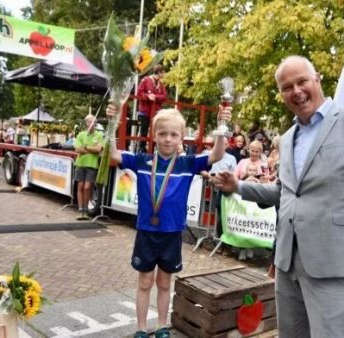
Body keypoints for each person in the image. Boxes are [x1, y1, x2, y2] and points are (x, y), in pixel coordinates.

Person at [212, 55, 344, 337]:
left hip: (334, 262)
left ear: (317, 79)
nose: (296, 91)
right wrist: (238, 187)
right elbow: (286, 193)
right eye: (286, 87)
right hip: (288, 261)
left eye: (302, 81)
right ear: (281, 94)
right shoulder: (290, 136)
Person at [105, 104, 230, 338]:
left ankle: (162, 326)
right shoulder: (142, 161)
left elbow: (217, 155)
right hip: (146, 232)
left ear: (181, 137)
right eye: (162, 134)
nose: (168, 139)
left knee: (164, 283)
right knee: (144, 283)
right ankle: (141, 328)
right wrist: (112, 125)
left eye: (174, 134)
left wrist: (220, 129)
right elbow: (113, 154)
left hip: (172, 233)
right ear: (154, 135)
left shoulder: (187, 163)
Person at [73, 114, 104, 221]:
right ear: (87, 123)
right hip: (80, 163)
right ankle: (81, 210)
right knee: (80, 186)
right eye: (91, 122)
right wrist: (91, 149)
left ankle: (85, 209)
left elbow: (98, 149)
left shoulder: (99, 135)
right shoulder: (81, 134)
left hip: (92, 165)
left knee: (87, 187)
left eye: (95, 122)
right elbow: (77, 149)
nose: (93, 124)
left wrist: (85, 148)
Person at [136, 64, 167, 153]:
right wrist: (148, 96)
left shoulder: (161, 84)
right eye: (163, 72)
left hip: (155, 113)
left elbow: (164, 96)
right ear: (159, 72)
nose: (164, 74)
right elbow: (139, 92)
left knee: (154, 132)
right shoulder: (146, 80)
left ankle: (151, 150)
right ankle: (141, 151)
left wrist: (155, 97)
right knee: (144, 131)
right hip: (145, 111)